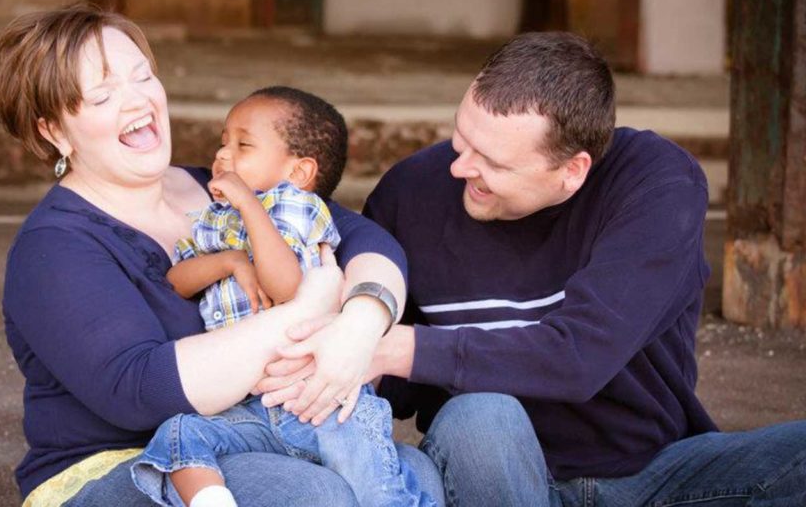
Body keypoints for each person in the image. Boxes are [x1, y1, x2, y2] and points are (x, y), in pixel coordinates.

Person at [0, 4, 441, 506]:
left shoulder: (219, 188)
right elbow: (141, 391)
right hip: (117, 466)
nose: (136, 100)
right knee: (314, 494)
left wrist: (359, 324)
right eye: (102, 95)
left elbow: (364, 240)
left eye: (142, 75)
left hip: (250, 436)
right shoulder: (54, 248)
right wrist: (307, 310)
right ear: (53, 131)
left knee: (414, 473)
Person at [333, 31, 806, 506]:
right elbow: (389, 387)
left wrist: (397, 348)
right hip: (493, 476)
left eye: (492, 161)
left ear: (572, 170)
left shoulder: (653, 182)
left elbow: (580, 356)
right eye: (462, 138)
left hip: (653, 478)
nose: (460, 169)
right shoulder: (410, 194)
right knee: (483, 416)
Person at [131, 86, 436, 507]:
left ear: (298, 172)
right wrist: (229, 261)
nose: (222, 156)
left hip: (321, 405)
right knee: (180, 433)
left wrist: (247, 205)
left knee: (379, 493)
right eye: (223, 142)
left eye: (243, 145)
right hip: (252, 407)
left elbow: (286, 286)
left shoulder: (296, 207)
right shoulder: (214, 221)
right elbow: (177, 281)